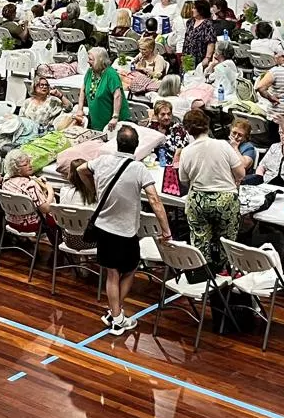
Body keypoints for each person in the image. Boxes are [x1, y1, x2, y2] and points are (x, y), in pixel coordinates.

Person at [76, 127, 171, 335]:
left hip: (103, 227)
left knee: (111, 273)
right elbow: (154, 200)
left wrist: (93, 189)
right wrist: (166, 230)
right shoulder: (138, 168)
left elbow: (81, 169)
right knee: (129, 270)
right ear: (136, 146)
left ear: (117, 143)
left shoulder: (101, 161)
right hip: (126, 231)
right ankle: (118, 318)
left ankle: (115, 313)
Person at [177, 108, 245, 274]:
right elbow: (241, 173)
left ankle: (203, 273)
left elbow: (183, 180)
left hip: (198, 200)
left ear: (188, 130)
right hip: (225, 199)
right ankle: (224, 272)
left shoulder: (186, 152)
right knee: (226, 242)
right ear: (207, 125)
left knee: (200, 240)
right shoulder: (223, 145)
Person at [78, 46, 123, 130]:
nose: (88, 61)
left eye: (91, 59)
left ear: (99, 60)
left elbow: (117, 95)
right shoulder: (90, 71)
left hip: (110, 120)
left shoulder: (111, 74)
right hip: (95, 118)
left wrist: (115, 117)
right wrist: (80, 109)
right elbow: (83, 90)